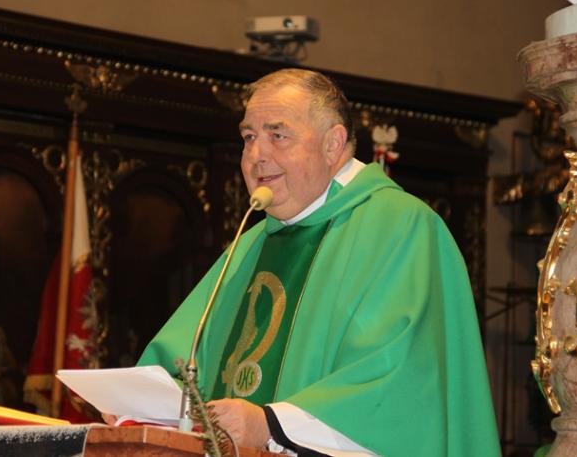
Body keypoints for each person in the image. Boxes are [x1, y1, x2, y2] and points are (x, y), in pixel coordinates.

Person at [115, 69, 500, 456]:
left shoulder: (402, 227)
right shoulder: (253, 243)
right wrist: (135, 407)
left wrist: (270, 424)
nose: (256, 156)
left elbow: (401, 385)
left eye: (278, 136)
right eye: (249, 137)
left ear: (333, 144)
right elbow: (181, 363)